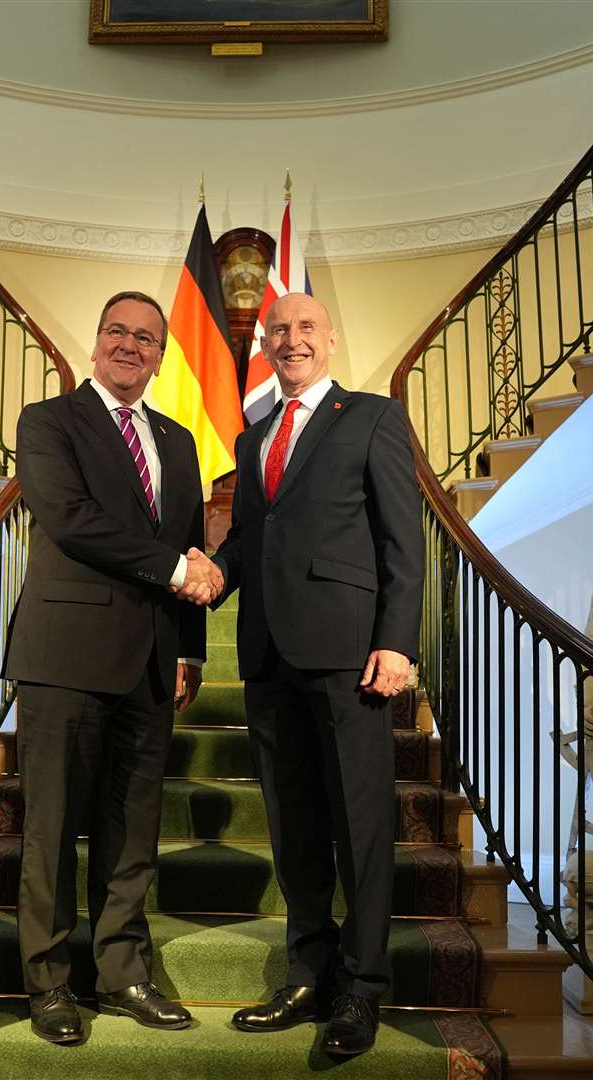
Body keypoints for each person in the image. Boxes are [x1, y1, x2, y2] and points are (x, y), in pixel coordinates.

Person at [211, 292, 423, 1057]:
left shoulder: (371, 417)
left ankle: (361, 990)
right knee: (293, 827)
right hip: (269, 656)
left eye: (305, 328)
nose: (291, 340)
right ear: (264, 345)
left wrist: (396, 642)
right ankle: (308, 972)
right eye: (279, 331)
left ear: (330, 341)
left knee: (360, 829)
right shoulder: (253, 436)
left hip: (349, 658)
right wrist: (212, 572)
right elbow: (245, 539)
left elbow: (404, 541)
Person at [2, 290, 217, 1045]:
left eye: (147, 338)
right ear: (96, 343)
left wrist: (189, 644)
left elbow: (189, 544)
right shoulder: (48, 421)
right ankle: (51, 984)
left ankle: (122, 972)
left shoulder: (180, 440)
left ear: (161, 355)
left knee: (133, 834)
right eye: (118, 332)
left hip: (153, 661)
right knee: (53, 829)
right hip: (65, 656)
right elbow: (69, 517)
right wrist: (173, 570)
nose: (131, 345)